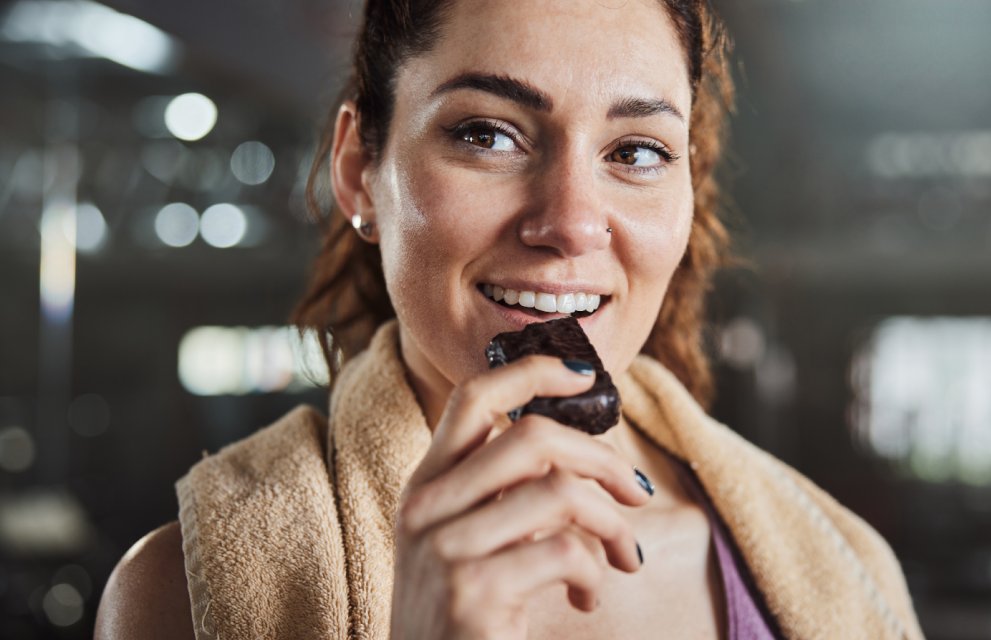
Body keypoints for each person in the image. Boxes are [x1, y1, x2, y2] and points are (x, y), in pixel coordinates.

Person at [96, 1, 925, 638]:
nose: (569, 221)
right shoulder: (180, 595)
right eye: (488, 134)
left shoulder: (853, 576)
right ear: (358, 172)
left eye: (635, 152)